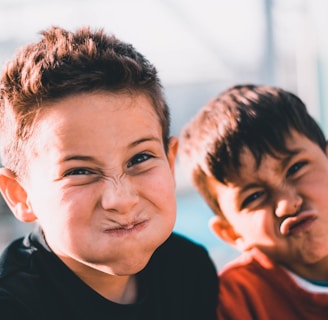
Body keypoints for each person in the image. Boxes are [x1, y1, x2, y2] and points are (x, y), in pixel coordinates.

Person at [0, 26, 218, 320]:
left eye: (140, 158)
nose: (121, 199)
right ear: (21, 195)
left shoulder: (189, 270)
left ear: (170, 160)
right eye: (79, 171)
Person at [179, 84, 328, 319]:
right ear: (230, 233)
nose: (287, 205)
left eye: (296, 168)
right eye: (254, 196)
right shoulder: (232, 303)